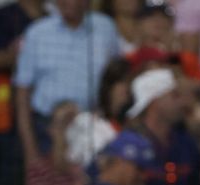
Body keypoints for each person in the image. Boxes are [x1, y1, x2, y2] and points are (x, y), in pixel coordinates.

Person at [13, 0, 120, 162]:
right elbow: (22, 92)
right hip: (46, 128)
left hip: (93, 126)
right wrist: (30, 150)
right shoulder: (37, 32)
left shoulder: (105, 27)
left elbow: (116, 79)